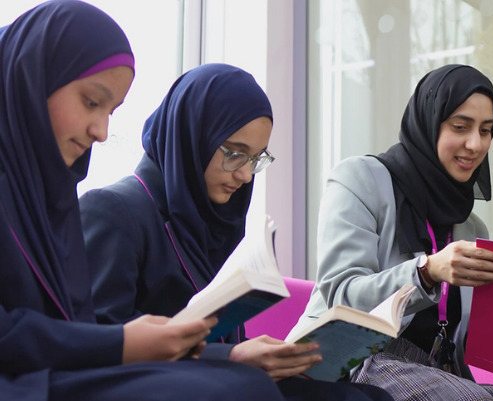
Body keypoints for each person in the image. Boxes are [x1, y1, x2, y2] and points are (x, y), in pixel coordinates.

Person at [0, 2, 288, 401]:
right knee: (241, 389)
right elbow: (93, 329)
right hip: (32, 379)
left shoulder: (49, 198)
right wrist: (123, 343)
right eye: (91, 101)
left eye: (255, 159)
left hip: (49, 373)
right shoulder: (112, 210)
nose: (101, 132)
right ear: (31, 79)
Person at [79, 62, 394, 401]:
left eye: (256, 159)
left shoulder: (211, 221)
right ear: (192, 137)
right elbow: (100, 339)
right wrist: (230, 356)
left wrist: (271, 357)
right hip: (159, 386)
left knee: (371, 397)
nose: (245, 175)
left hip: (214, 380)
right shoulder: (114, 209)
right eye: (234, 154)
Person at [286, 64, 493, 401]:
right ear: (429, 122)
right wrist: (427, 271)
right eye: (460, 127)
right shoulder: (359, 180)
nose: (475, 144)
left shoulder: (471, 228)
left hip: (434, 373)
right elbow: (341, 296)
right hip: (354, 359)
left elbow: (466, 344)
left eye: (486, 131)